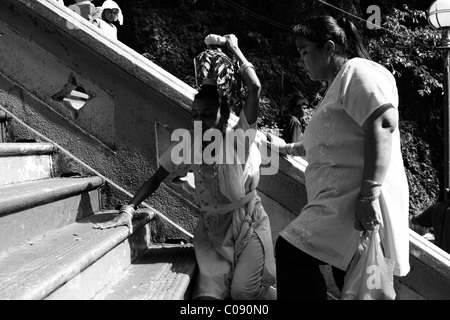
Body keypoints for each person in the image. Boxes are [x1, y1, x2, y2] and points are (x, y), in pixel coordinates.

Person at [93, 34, 276, 300]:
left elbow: (255, 88)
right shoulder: (187, 145)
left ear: (223, 115)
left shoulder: (239, 138)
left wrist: (234, 49)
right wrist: (129, 209)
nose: (199, 120)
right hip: (212, 232)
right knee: (207, 296)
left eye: (206, 114)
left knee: (244, 292)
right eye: (194, 114)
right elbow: (156, 178)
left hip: (247, 225)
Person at [265, 15, 410, 300]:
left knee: (290, 250)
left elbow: (383, 122)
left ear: (329, 47)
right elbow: (329, 143)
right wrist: (286, 148)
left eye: (305, 51)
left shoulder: (357, 70)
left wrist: (368, 195)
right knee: (353, 279)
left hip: (354, 201)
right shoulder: (337, 84)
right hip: (340, 202)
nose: (302, 60)